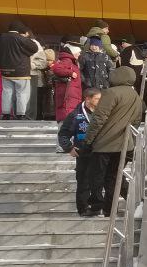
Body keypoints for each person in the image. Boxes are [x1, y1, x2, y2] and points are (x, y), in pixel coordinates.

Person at [84, 66, 141, 216]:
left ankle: (96, 204)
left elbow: (98, 118)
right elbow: (136, 120)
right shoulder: (135, 95)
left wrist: (88, 140)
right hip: (124, 143)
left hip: (105, 144)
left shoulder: (111, 93)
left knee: (95, 176)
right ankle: (110, 208)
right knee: (113, 177)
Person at [60, 88, 103, 216]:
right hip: (83, 153)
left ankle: (96, 207)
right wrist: (69, 148)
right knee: (83, 181)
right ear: (88, 99)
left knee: (98, 181)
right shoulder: (75, 115)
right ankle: (83, 208)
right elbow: (63, 134)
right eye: (97, 99)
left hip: (99, 152)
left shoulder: (103, 112)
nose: (100, 101)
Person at [0, 22, 38, 120]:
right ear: (19, 30)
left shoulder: (1, 38)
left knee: (6, 92)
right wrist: (26, 52)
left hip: (5, 71)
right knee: (22, 92)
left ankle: (6, 113)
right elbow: (34, 48)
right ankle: (20, 114)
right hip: (21, 71)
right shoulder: (21, 38)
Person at [51, 42, 84, 122]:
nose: (79, 54)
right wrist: (70, 73)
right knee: (68, 113)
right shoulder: (67, 60)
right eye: (78, 52)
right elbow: (57, 68)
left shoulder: (71, 61)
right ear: (73, 52)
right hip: (69, 94)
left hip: (72, 93)